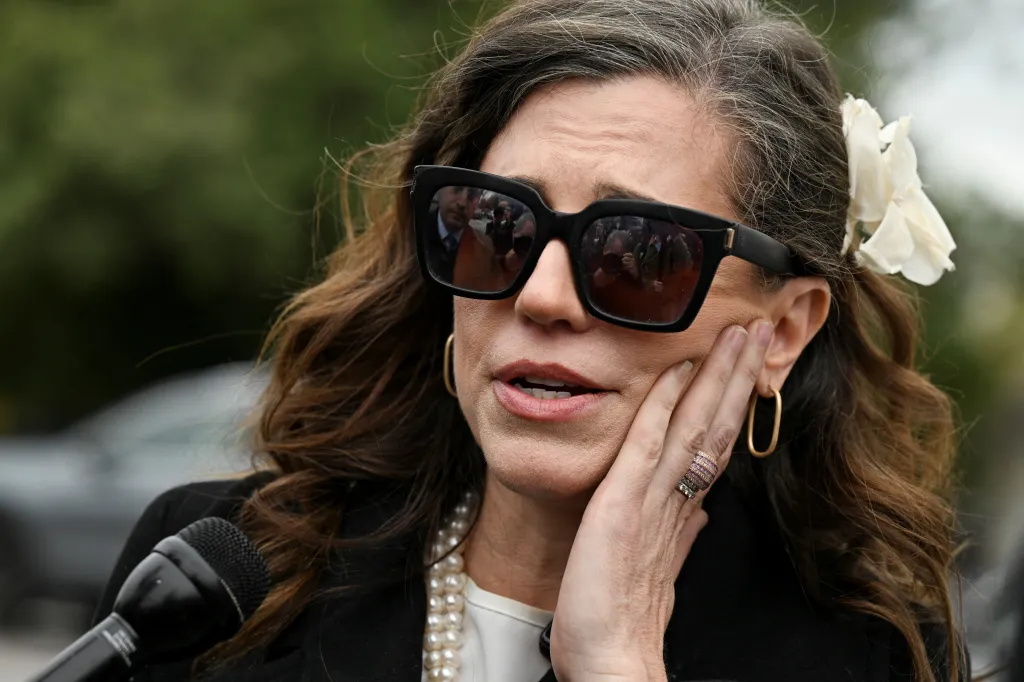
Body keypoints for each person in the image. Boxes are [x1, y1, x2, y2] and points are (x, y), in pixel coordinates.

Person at [94, 1, 968, 681]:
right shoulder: (216, 577)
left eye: (640, 253)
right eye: (496, 226)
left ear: (781, 331)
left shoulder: (875, 658)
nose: (542, 295)